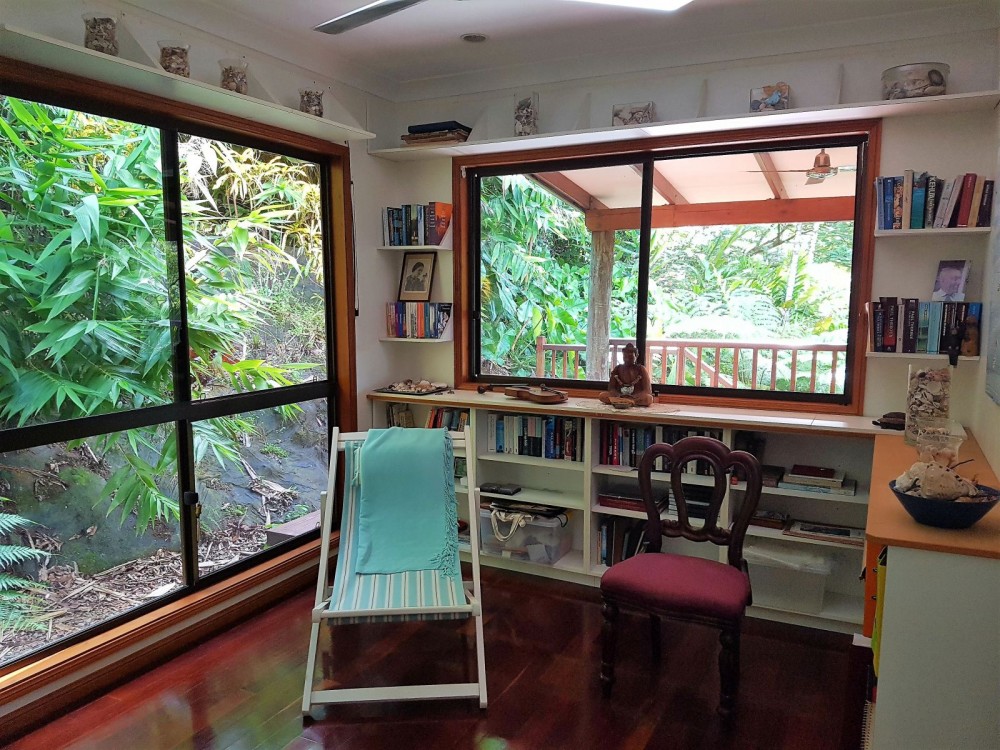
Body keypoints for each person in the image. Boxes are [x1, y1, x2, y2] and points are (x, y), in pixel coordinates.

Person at [598, 342, 653, 407]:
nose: (627, 359)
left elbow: (647, 390)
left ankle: (630, 402)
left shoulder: (641, 369)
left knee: (648, 398)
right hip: (620, 396)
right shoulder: (618, 368)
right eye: (625, 356)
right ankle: (627, 402)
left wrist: (633, 396)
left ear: (636, 356)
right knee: (602, 396)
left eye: (630, 357)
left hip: (635, 397)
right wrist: (619, 395)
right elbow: (611, 388)